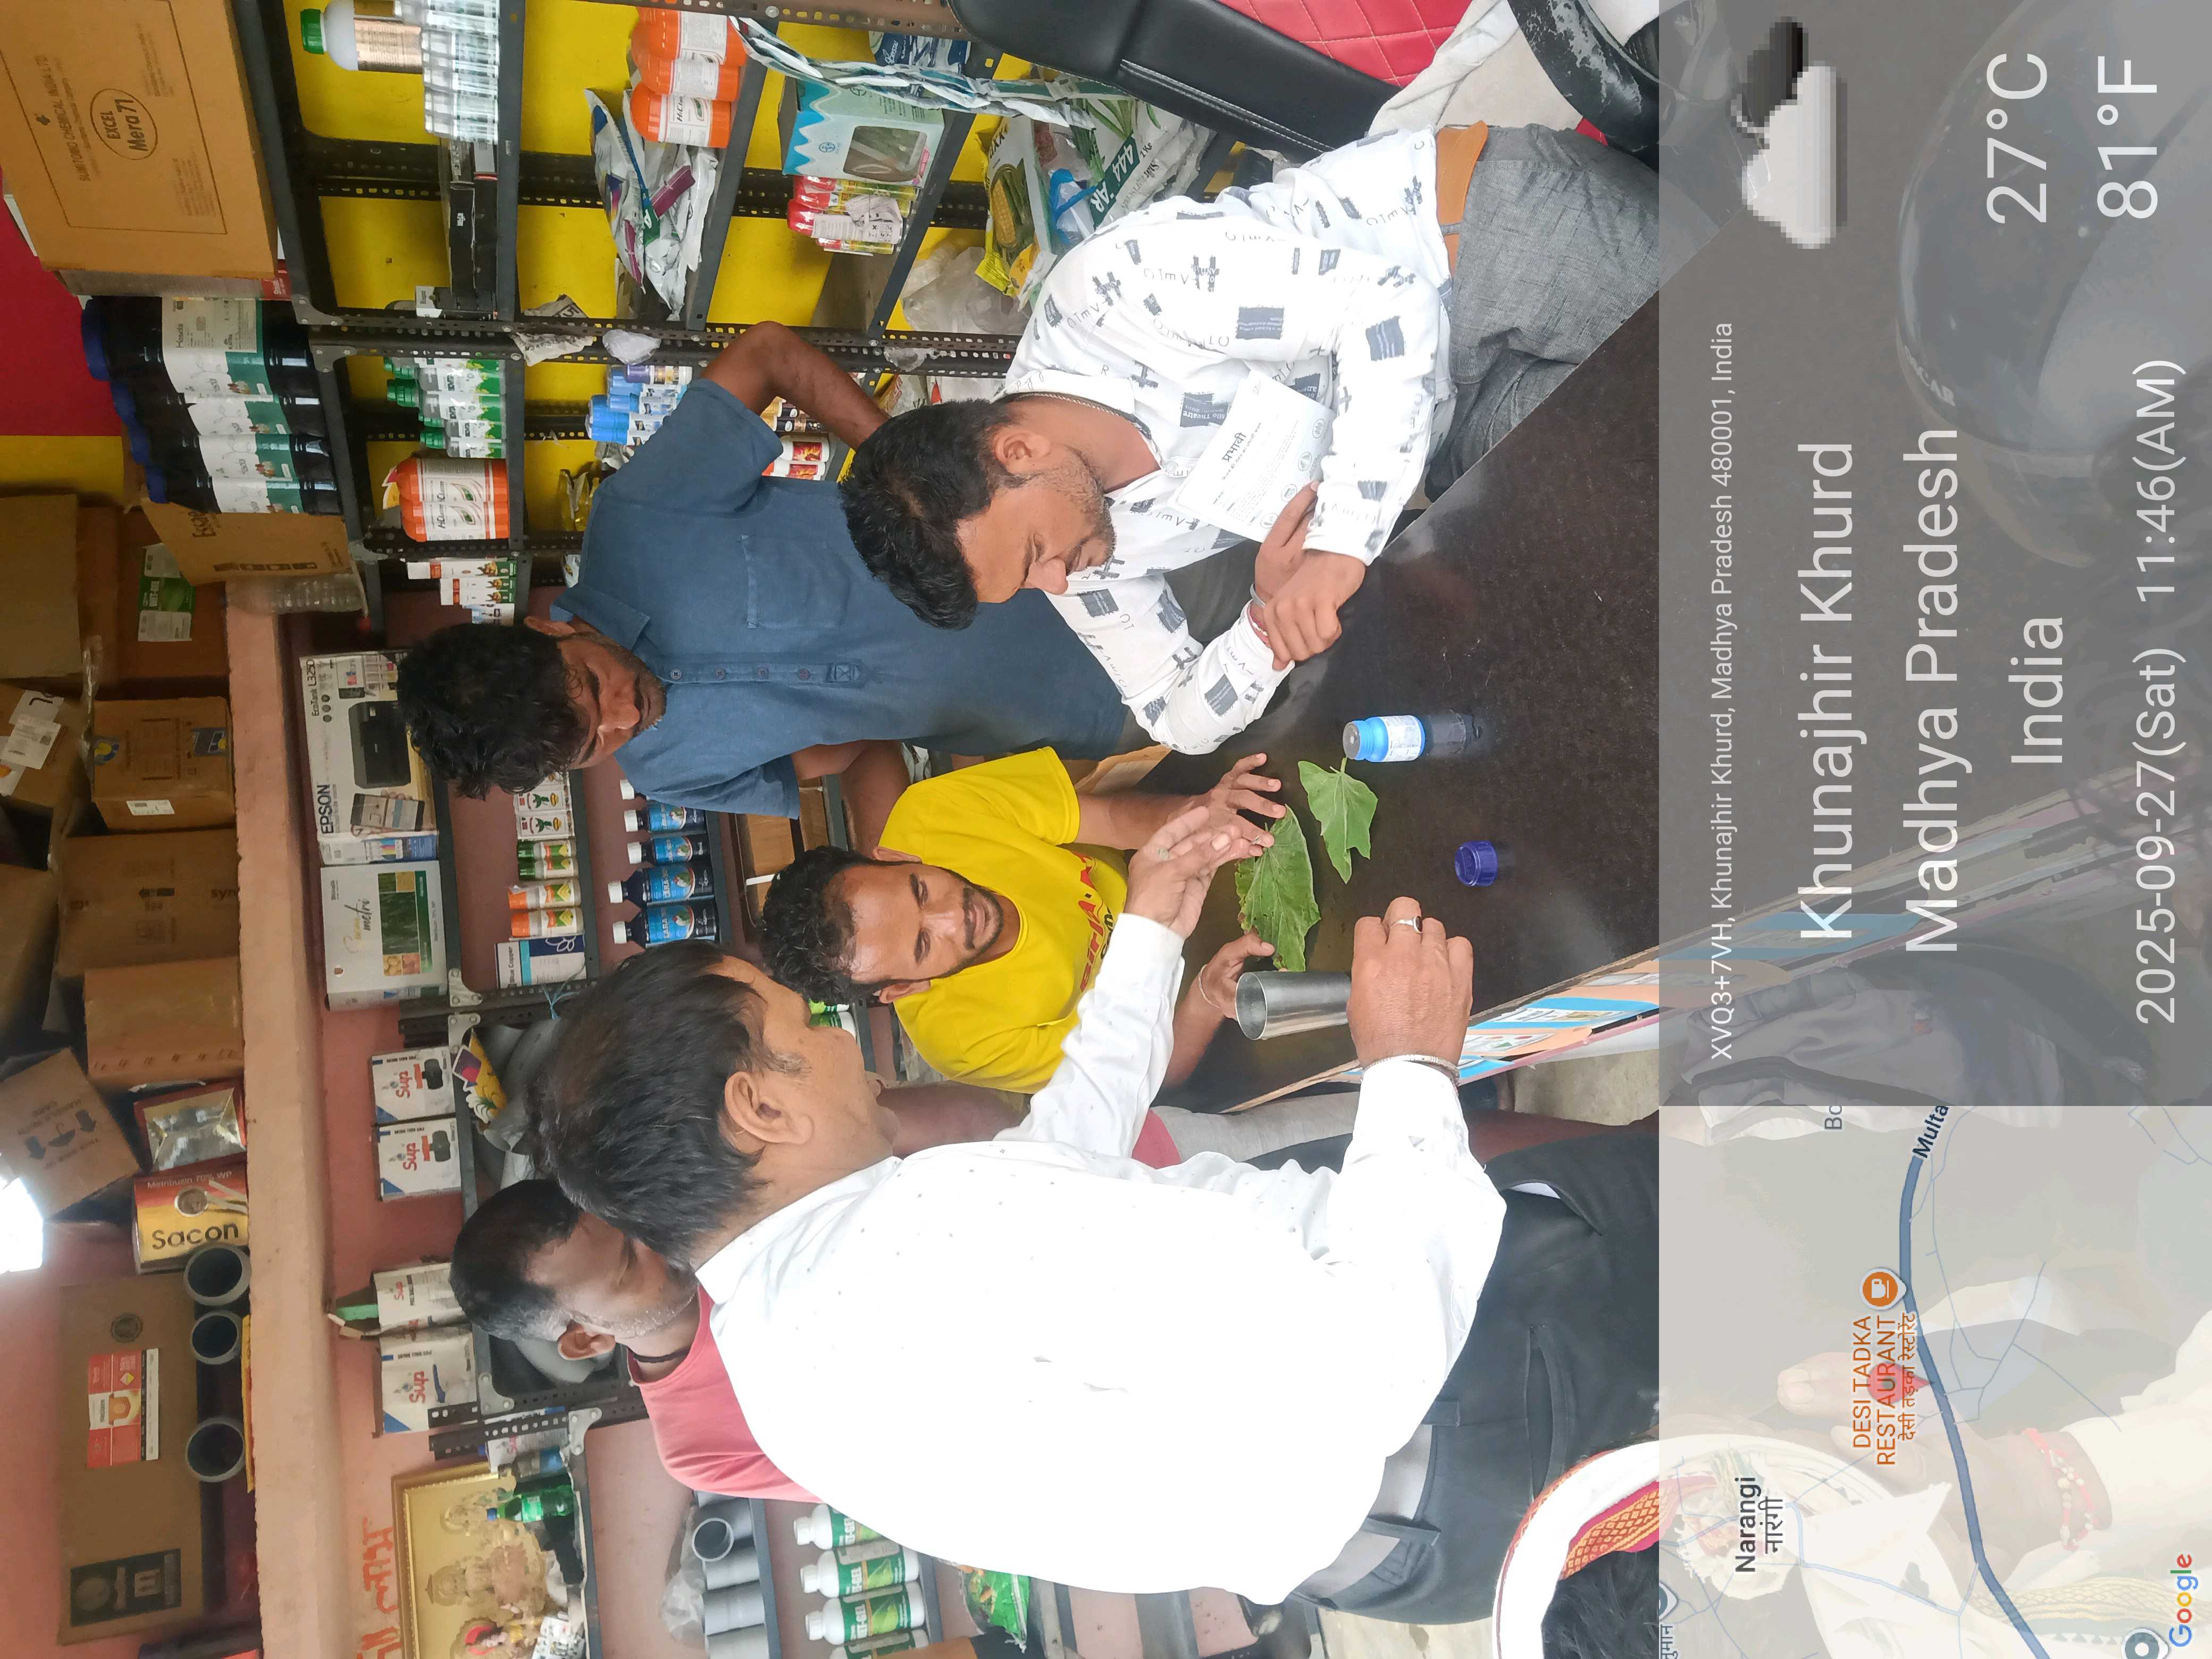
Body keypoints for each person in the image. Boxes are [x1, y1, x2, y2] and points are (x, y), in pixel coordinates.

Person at [533, 802, 1657, 1614]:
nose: (842, 1042)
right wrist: (1407, 1068)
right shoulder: (912, 1236)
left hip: (1418, 1541)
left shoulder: (781, 1347)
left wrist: (1149, 935)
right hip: (1480, 1382)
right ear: (760, 1107)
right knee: (1735, 1215)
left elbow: (1050, 1169)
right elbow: (1362, 1360)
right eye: (803, 1026)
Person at [841, 123, 1681, 753]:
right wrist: (1263, 621)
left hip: (1470, 245)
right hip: (1450, 423)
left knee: (1730, 362)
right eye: (1030, 583)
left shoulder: (1110, 299)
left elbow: (1385, 304)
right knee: (1650, 517)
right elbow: (1172, 717)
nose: (1058, 582)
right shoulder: (1080, 553)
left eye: (1033, 557)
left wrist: (1339, 549)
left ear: (1016, 451)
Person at [392, 321, 1130, 846]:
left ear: (548, 628)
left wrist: (913, 479)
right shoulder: (667, 771)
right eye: (593, 744)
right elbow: (851, 751)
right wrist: (897, 853)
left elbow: (767, 354)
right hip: (1085, 710)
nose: (624, 716)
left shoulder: (644, 516)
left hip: (1098, 557)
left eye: (592, 686)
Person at [760, 748, 1285, 1092]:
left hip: (1164, 863)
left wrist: (1201, 816)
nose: (954, 916)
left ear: (897, 856)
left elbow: (1109, 817)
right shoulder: (960, 1041)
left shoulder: (931, 814)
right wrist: (1205, 1000)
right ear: (903, 988)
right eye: (924, 944)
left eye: (920, 889)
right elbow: (1141, 1074)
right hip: (1181, 997)